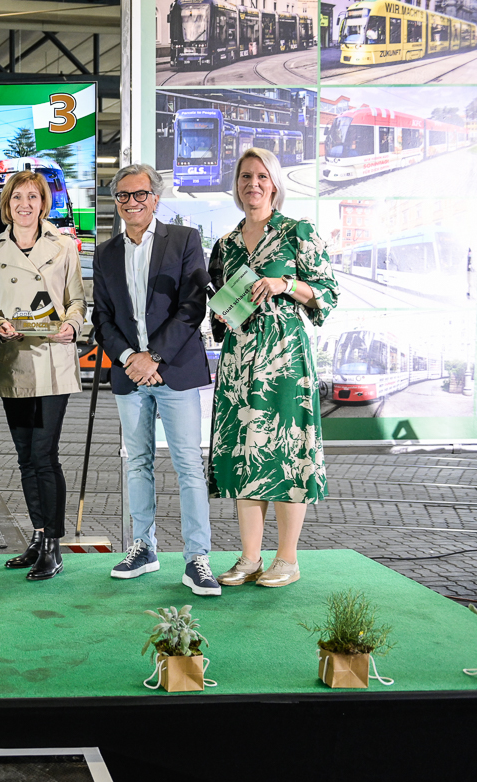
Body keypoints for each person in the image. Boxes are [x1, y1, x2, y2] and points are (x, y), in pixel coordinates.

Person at [209, 147, 337, 588]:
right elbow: (219, 303)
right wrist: (220, 317)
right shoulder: (224, 244)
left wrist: (286, 283)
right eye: (245, 177)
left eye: (262, 176)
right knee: (246, 451)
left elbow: (328, 293)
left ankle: (287, 559)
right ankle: (249, 558)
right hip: (239, 359)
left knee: (285, 453)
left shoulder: (297, 231)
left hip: (285, 358)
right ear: (237, 185)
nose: (253, 184)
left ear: (276, 183)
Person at [91, 163, 219, 596]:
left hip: (174, 371)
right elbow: (102, 317)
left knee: (188, 466)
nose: (131, 202)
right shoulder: (106, 253)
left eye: (139, 194)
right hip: (130, 375)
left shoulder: (183, 240)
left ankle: (197, 558)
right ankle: (143, 547)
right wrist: (130, 358)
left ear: (155, 198)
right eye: (123, 196)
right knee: (138, 462)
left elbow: (192, 307)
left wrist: (155, 357)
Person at [0, 170, 85, 581]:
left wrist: (72, 327)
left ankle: (54, 546)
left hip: (53, 362)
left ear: (44, 203)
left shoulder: (63, 247)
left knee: (44, 455)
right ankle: (38, 535)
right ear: (6, 205)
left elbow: (77, 301)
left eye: (33, 197)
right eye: (17, 198)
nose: (25, 205)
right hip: (14, 363)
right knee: (25, 458)